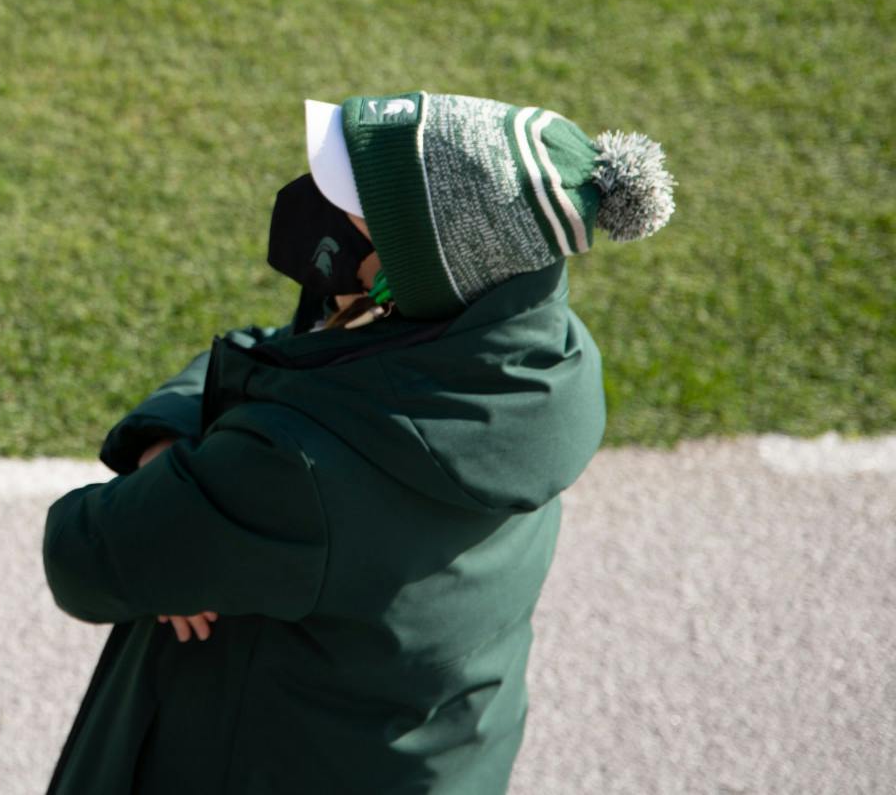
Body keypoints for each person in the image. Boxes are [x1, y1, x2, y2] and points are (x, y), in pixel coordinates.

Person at [42, 92, 677, 794]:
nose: (318, 198)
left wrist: (164, 489)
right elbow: (281, 357)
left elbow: (85, 552)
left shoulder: (304, 468)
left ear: (413, 265)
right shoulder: (533, 360)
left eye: (353, 203)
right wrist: (170, 448)